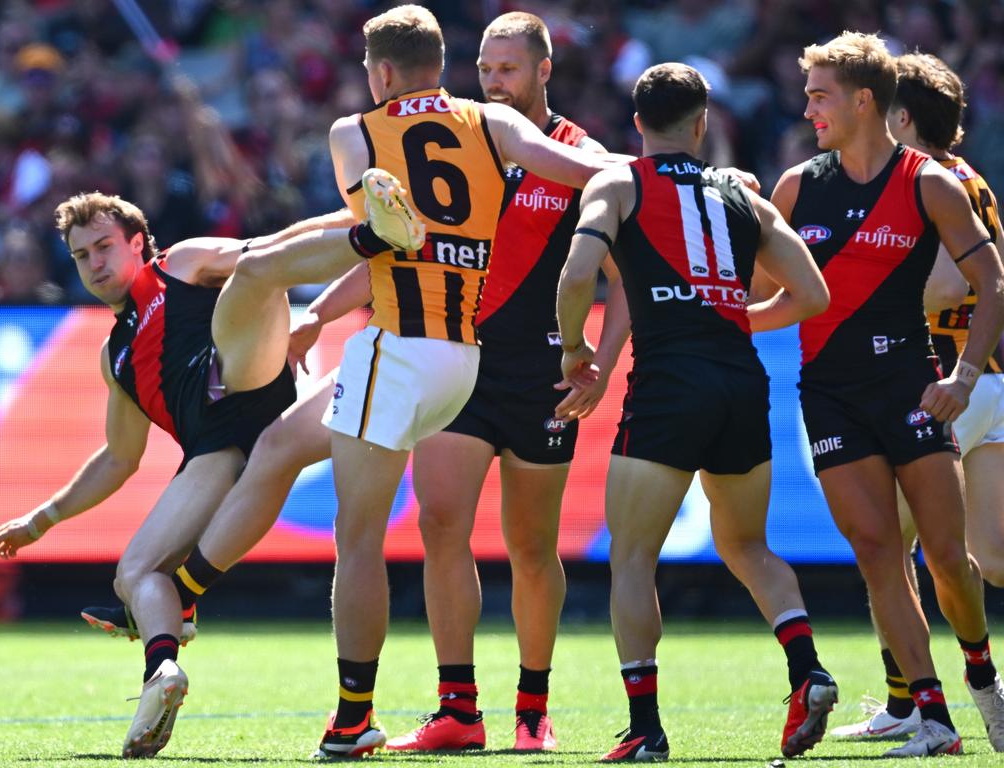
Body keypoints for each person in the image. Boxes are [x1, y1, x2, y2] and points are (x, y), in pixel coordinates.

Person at [157, 5, 624, 759]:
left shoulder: (355, 131)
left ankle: (350, 718)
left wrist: (299, 260)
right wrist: (678, 173)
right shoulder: (492, 127)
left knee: (358, 537)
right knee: (299, 452)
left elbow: (362, 224)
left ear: (378, 73)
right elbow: (592, 170)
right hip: (460, 358)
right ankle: (190, 590)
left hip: (406, 346)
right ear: (447, 64)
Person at [0, 186, 421, 758]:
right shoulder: (114, 353)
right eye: (81, 255)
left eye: (104, 246)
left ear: (138, 243)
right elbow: (119, 457)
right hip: (216, 450)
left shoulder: (179, 264)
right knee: (133, 573)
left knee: (258, 266)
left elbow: (274, 245)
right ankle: (162, 669)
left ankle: (376, 237)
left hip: (246, 375)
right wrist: (41, 521)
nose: (95, 263)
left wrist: (353, 218)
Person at [557, 62, 836, 762]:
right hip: (743, 383)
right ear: (703, 123)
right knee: (748, 546)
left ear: (637, 124)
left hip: (667, 389)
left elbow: (575, 272)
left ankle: (646, 728)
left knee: (631, 557)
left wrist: (574, 351)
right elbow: (812, 295)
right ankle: (808, 668)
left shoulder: (618, 181)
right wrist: (736, 313)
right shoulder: (743, 195)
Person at [384, 12, 629, 754]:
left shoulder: (581, 157)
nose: (492, 83)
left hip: (542, 377)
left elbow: (624, 280)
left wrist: (603, 363)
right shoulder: (462, 142)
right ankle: (457, 708)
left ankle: (533, 706)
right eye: (485, 70)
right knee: (439, 526)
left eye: (508, 70)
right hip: (458, 364)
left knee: (530, 547)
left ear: (544, 71)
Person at [766, 32, 1004, 756]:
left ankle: (983, 680)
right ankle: (932, 717)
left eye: (819, 95)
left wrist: (962, 376)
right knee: (875, 551)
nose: (807, 109)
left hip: (912, 386)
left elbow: (992, 282)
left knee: (948, 559)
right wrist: (725, 312)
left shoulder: (928, 182)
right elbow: (781, 298)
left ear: (864, 100)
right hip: (829, 395)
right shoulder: (795, 187)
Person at [830, 52, 1004, 742]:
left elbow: (940, 287)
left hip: (940, 386)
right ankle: (909, 703)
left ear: (900, 115)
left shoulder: (927, 182)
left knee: (890, 549)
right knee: (982, 556)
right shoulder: (971, 177)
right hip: (985, 379)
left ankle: (917, 705)